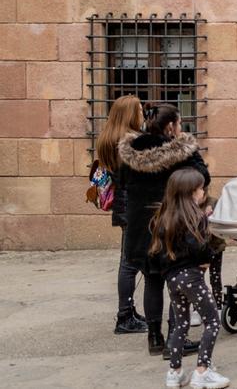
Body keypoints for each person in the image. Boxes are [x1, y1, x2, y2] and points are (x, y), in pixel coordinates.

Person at [118, 104, 210, 357]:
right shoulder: (181, 151)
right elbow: (202, 177)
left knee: (151, 279)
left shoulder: (130, 152)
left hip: (139, 224)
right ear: (171, 126)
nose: (180, 129)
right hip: (170, 224)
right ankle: (174, 339)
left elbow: (122, 182)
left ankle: (154, 338)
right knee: (175, 280)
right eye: (178, 124)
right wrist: (187, 147)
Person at [150, 168, 228, 389]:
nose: (203, 192)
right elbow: (201, 249)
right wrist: (208, 257)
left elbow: (157, 253)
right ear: (191, 193)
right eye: (200, 188)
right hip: (192, 277)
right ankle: (203, 370)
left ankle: (174, 373)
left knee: (181, 323)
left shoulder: (163, 218)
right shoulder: (196, 219)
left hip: (172, 280)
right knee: (212, 320)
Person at [97, 95, 148, 335]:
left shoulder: (109, 139)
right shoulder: (131, 141)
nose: (143, 114)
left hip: (123, 206)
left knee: (127, 261)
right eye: (139, 110)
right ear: (129, 114)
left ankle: (128, 311)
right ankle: (124, 316)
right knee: (129, 264)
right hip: (134, 207)